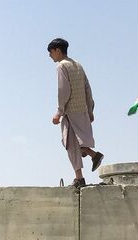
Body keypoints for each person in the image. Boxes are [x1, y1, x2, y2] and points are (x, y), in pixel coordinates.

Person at [47, 38, 104, 188]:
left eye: (51, 52)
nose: (50, 56)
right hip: (82, 110)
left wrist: (59, 112)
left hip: (70, 112)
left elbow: (63, 91)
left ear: (57, 50)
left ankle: (79, 178)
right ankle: (93, 155)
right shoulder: (78, 65)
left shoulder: (61, 66)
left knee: (70, 144)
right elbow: (88, 89)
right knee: (75, 143)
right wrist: (90, 110)